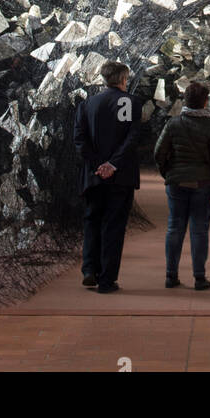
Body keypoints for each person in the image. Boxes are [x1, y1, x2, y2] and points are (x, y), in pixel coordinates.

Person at [73, 60, 140, 294]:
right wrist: (113, 164)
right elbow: (132, 138)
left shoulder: (88, 103)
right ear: (123, 79)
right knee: (114, 225)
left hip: (93, 175)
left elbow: (80, 140)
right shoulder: (130, 102)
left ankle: (89, 269)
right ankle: (107, 279)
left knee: (92, 220)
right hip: (120, 177)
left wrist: (98, 164)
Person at [154, 80, 210, 289]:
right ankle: (199, 277)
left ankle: (171, 275)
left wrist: (168, 172)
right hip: (203, 184)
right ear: (205, 102)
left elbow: (159, 152)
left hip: (177, 182)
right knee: (199, 230)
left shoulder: (174, 123)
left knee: (174, 228)